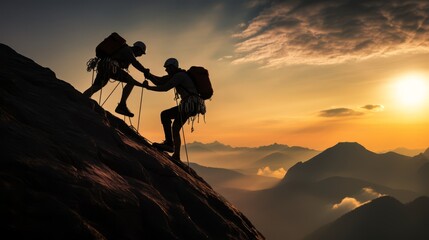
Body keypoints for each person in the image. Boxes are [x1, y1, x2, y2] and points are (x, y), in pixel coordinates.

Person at [142, 58, 200, 161]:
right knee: (175, 128)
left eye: (167, 68)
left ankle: (169, 144)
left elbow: (164, 87)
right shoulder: (176, 75)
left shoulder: (179, 76)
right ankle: (176, 154)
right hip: (192, 105)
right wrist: (149, 76)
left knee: (165, 115)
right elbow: (160, 81)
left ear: (173, 67)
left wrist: (148, 87)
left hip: (189, 104)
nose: (166, 70)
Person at [83, 41, 150, 117]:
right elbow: (135, 62)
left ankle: (82, 98)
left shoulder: (125, 50)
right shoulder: (128, 50)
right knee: (131, 81)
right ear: (138, 49)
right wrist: (145, 71)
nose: (140, 55)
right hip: (111, 67)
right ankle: (121, 105)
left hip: (104, 65)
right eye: (141, 53)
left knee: (97, 86)